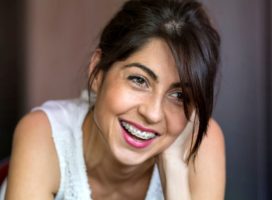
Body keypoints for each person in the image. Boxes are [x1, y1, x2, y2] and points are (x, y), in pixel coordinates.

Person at [2, 0, 225, 199]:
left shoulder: (202, 144)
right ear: (97, 71)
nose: (153, 113)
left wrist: (175, 173)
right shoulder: (45, 133)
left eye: (179, 96)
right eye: (139, 80)